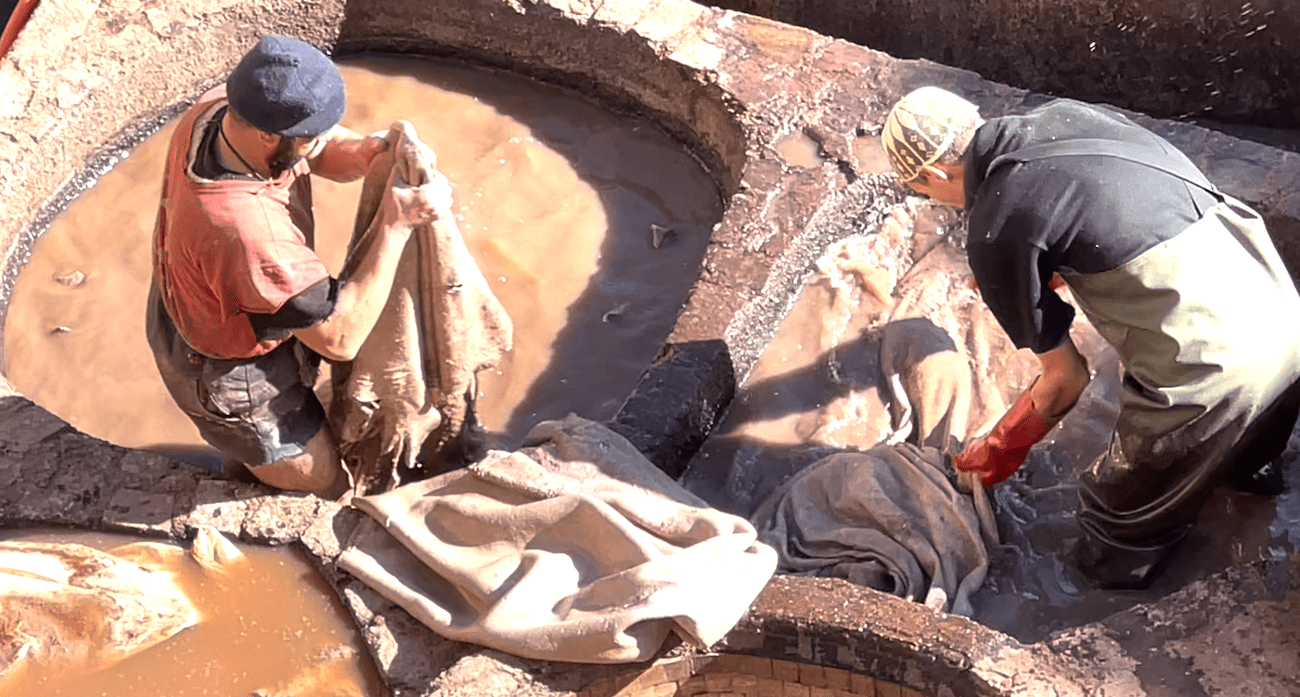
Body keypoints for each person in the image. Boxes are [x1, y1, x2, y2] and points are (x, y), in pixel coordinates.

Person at [881, 86, 1300, 588]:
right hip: (1278, 308)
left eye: (926, 192)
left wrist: (1001, 447)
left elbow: (1067, 382)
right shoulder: (1066, 114)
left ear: (932, 174)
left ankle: (1116, 587)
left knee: (1114, 521)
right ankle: (1249, 478)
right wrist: (1058, 266)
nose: (935, 202)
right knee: (1242, 457)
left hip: (1217, 367)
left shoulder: (994, 229)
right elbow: (1112, 211)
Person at [147, 35, 451, 498]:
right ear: (268, 135)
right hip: (231, 376)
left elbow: (317, 153)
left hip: (193, 307)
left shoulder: (218, 111)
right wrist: (396, 223)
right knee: (328, 493)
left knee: (251, 463)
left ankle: (243, 468)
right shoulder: (250, 234)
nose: (325, 140)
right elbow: (341, 338)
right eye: (315, 134)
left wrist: (367, 153)